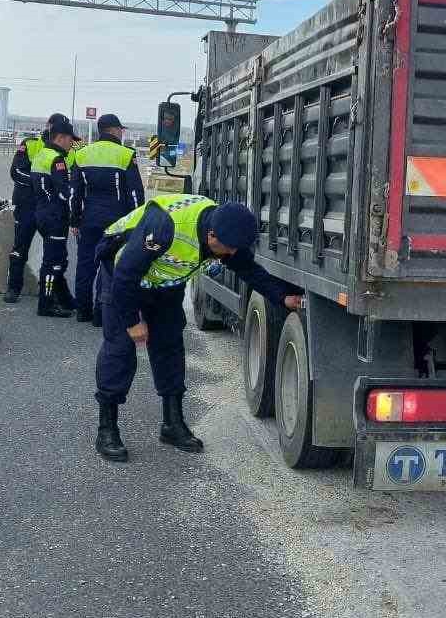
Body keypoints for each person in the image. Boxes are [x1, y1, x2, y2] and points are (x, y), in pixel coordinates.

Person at [94, 195, 301, 462]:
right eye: (228, 248)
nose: (232, 254)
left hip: (164, 285)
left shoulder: (225, 232)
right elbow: (125, 275)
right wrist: (133, 322)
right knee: (119, 352)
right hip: (121, 277)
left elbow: (248, 269)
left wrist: (281, 297)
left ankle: (172, 424)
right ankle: (107, 429)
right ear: (211, 235)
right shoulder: (164, 227)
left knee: (169, 346)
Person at [68, 113, 144, 326]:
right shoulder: (126, 155)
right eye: (121, 129)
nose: (122, 132)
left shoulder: (82, 154)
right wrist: (137, 222)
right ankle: (101, 313)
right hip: (116, 223)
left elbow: (75, 192)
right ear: (113, 130)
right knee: (109, 266)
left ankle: (82, 311)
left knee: (85, 265)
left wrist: (74, 221)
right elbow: (135, 193)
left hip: (89, 220)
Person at [2, 117, 54, 303]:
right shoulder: (29, 144)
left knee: (54, 252)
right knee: (19, 248)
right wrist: (42, 183)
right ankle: (13, 288)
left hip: (50, 208)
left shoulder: (67, 151)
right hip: (27, 206)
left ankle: (50, 294)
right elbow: (16, 172)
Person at [31, 113, 78, 317]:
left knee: (59, 258)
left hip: (42, 213)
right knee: (53, 262)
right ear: (61, 138)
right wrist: (78, 205)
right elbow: (63, 192)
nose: (72, 145)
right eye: (71, 140)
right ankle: (46, 304)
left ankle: (65, 299)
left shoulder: (41, 155)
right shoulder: (57, 160)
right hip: (55, 217)